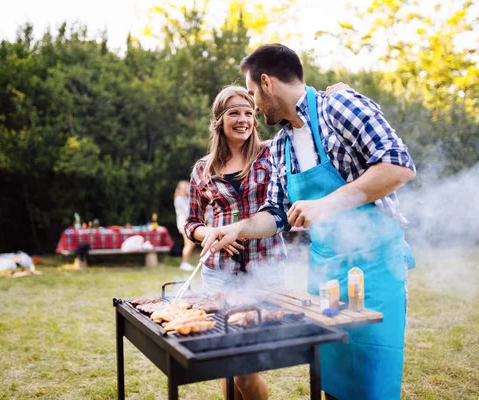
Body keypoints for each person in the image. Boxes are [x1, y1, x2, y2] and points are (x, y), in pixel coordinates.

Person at [202, 44, 417, 400]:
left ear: (267, 83)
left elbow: (398, 165)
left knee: (370, 381)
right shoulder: (280, 144)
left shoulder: (339, 106)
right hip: (325, 273)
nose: (254, 104)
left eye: (253, 92)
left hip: (375, 268)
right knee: (330, 380)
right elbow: (275, 214)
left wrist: (327, 204)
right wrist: (238, 228)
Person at [184, 85, 285, 400]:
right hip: (219, 273)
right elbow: (190, 223)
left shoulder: (271, 154)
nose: (243, 119)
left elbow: (280, 209)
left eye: (248, 112)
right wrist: (211, 233)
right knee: (228, 363)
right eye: (234, 113)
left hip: (265, 268)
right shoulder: (203, 169)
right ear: (219, 120)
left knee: (245, 366)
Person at [174, 180, 196, 271]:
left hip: (186, 224)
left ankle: (185, 262)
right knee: (189, 244)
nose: (189, 189)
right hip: (183, 224)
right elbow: (187, 211)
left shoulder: (185, 198)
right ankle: (184, 263)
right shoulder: (179, 199)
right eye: (187, 187)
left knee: (190, 244)